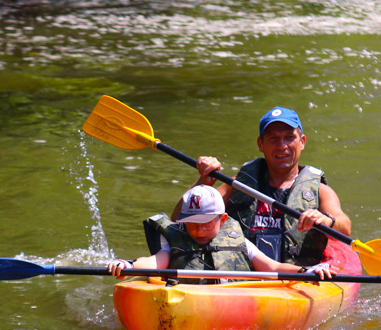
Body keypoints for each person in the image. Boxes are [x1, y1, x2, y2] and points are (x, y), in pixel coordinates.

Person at [172, 106, 351, 267]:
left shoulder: (320, 191)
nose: (282, 146)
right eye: (273, 139)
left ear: (302, 142)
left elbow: (345, 227)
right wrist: (203, 181)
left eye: (289, 138)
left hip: (297, 277)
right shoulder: (236, 186)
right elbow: (178, 222)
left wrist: (326, 221)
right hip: (242, 277)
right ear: (260, 144)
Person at [108, 185, 333, 282]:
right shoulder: (178, 241)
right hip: (189, 301)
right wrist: (128, 266)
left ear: (222, 219)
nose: (199, 230)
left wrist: (305, 271)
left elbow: (271, 268)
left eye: (206, 223)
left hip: (232, 300)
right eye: (192, 224)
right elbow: (154, 262)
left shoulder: (238, 240)